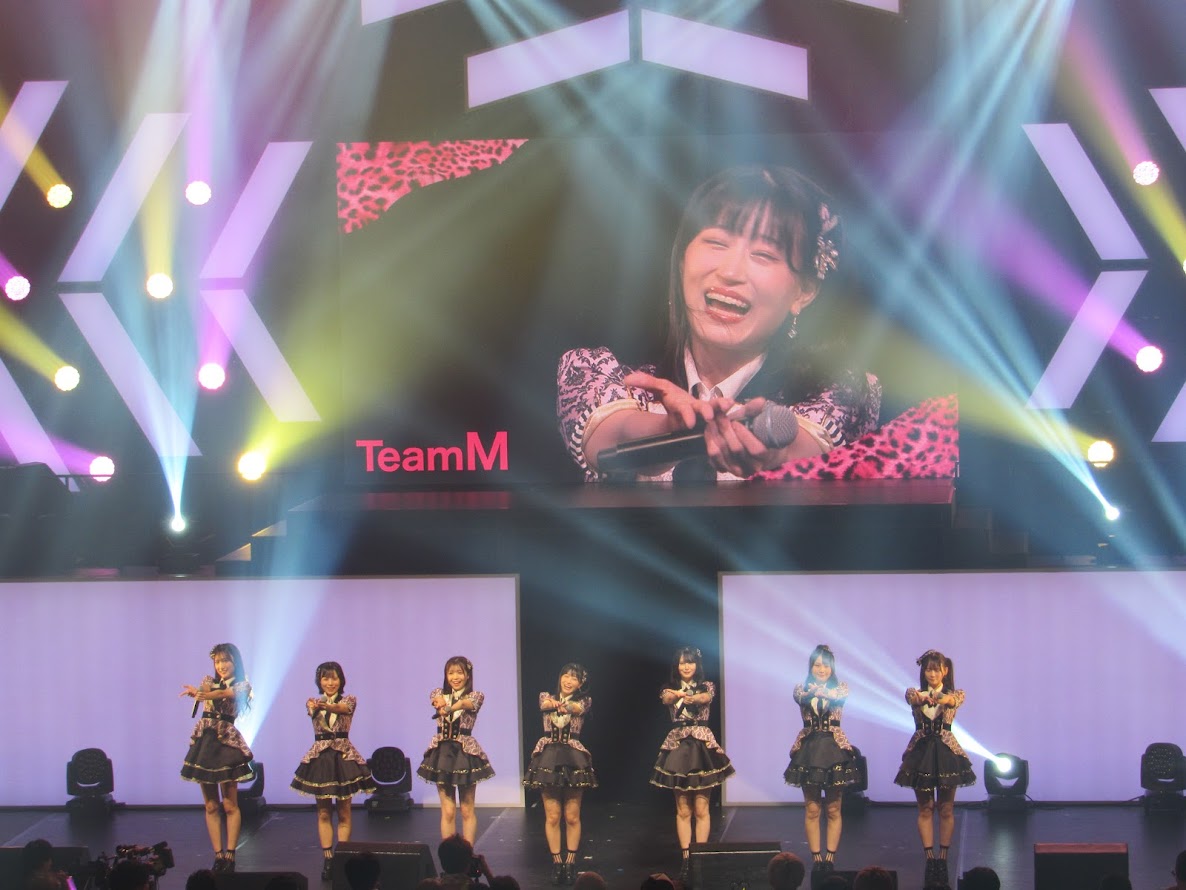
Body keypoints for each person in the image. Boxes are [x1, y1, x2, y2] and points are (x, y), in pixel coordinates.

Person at [557, 163, 881, 482]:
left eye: (763, 255)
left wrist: (771, 454)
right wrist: (673, 428)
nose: (730, 272)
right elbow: (612, 434)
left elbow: (807, 448)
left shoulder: (842, 391)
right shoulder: (602, 370)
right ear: (682, 260)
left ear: (804, 293)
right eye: (717, 242)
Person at [649, 646, 734, 883]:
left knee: (701, 808)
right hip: (678, 747)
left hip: (702, 747)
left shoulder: (707, 686)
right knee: (683, 809)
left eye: (690, 662)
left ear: (697, 665)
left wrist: (691, 697)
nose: (686, 667)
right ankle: (686, 858)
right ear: (676, 666)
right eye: (682, 663)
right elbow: (666, 698)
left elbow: (705, 698)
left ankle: (700, 857)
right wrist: (679, 693)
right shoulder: (669, 688)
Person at [892, 649, 975, 888]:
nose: (932, 674)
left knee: (946, 808)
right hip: (921, 753)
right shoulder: (913, 692)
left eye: (936, 669)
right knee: (925, 808)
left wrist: (938, 697)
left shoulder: (955, 693)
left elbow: (951, 701)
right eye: (928, 669)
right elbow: (913, 699)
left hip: (946, 753)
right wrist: (924, 697)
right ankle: (930, 858)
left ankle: (943, 859)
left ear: (945, 671)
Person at [291, 661, 378, 880]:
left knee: (344, 812)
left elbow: (342, 709)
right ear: (319, 681)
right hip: (321, 759)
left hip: (343, 757)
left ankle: (343, 856)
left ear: (341, 680)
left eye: (334, 678)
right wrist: (317, 705)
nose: (330, 682)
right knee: (323, 812)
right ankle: (328, 858)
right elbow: (312, 710)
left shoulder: (349, 700)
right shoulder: (312, 702)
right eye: (325, 678)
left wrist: (323, 706)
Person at [784, 645, 861, 875]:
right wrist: (814, 692)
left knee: (834, 808)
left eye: (826, 665)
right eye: (817, 665)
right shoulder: (801, 688)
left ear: (832, 668)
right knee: (812, 808)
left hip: (834, 749)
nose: (821, 669)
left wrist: (823, 692)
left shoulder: (841, 688)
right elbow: (802, 697)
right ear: (810, 667)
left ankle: (830, 859)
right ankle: (817, 859)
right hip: (809, 749)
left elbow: (838, 697)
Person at [180, 642, 254, 873]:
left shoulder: (242, 685)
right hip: (206, 743)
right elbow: (207, 690)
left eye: (226, 661)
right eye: (218, 661)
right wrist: (199, 691)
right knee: (211, 805)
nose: (221, 665)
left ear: (235, 662)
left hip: (226, 744)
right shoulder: (208, 681)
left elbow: (223, 694)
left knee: (230, 804)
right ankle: (218, 855)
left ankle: (230, 855)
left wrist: (203, 693)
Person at [523, 663, 598, 885]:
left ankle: (570, 862)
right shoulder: (546, 696)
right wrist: (554, 703)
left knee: (572, 815)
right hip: (549, 757)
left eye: (574, 678)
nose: (568, 680)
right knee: (553, 815)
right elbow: (545, 704)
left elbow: (577, 709)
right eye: (565, 675)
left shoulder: (585, 700)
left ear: (580, 683)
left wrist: (564, 705)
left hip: (573, 758)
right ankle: (557, 862)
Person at [418, 656, 495, 842]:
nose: (455, 677)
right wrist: (439, 703)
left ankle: (467, 853)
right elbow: (436, 699)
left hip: (464, 753)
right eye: (451, 673)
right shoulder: (438, 693)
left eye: (459, 672)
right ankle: (449, 853)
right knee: (448, 810)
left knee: (467, 810)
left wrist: (451, 707)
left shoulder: (476, 695)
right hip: (441, 754)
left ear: (468, 675)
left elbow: (467, 704)